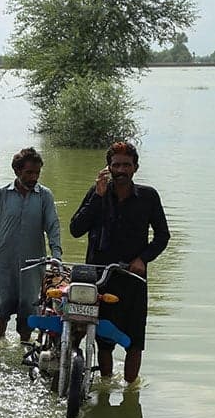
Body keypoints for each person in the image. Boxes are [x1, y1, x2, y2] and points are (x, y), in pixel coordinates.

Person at [68, 141, 169, 383]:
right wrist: (98, 197)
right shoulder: (97, 193)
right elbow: (75, 229)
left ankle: (130, 389)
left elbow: (162, 236)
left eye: (126, 165)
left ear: (135, 167)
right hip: (100, 278)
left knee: (134, 340)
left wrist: (143, 259)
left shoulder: (148, 196)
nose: (121, 170)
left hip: (133, 278)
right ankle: (104, 384)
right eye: (116, 165)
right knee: (102, 338)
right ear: (108, 168)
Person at [0, 147, 63, 341]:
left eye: (37, 173)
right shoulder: (2, 195)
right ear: (17, 171)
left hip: (33, 263)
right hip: (3, 262)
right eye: (29, 172)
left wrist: (56, 257)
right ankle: (0, 342)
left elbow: (53, 227)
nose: (34, 177)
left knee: (29, 307)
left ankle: (24, 345)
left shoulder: (44, 196)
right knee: (3, 306)